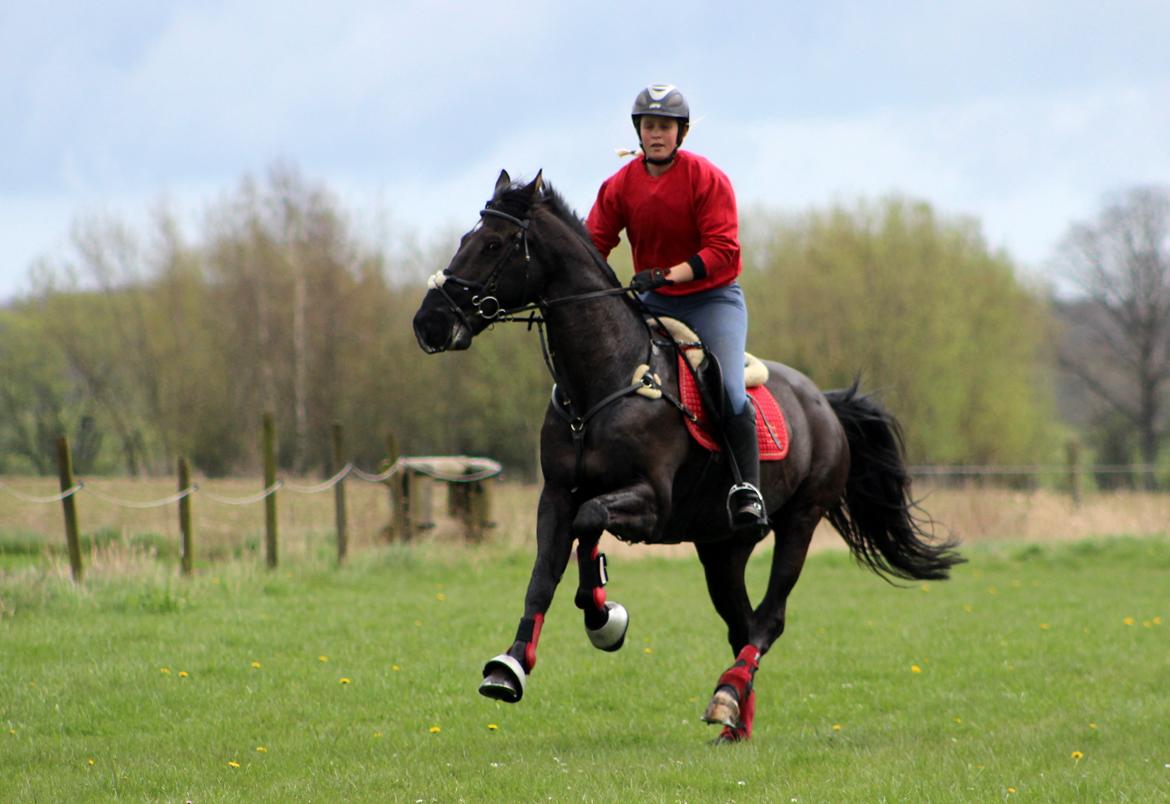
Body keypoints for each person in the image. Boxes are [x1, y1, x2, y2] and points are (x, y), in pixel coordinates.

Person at [586, 83, 767, 536]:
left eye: (665, 126)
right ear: (639, 132)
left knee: (728, 388)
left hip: (712, 300)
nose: (656, 134)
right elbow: (594, 246)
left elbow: (724, 250)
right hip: (653, 301)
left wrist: (667, 274)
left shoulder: (707, 178)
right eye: (649, 126)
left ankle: (748, 490)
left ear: (680, 132)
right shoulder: (620, 185)